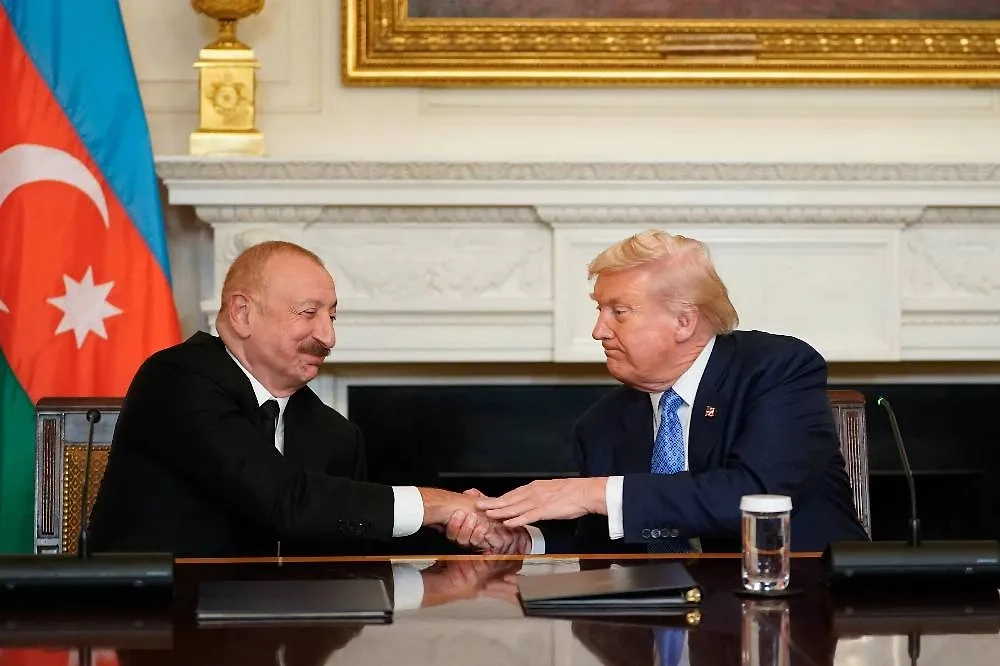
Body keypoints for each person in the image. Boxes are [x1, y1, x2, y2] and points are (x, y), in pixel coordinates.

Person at [87, 240, 505, 557]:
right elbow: (285, 501)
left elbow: (355, 549)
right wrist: (437, 504)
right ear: (242, 314)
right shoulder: (177, 380)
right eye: (308, 313)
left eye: (332, 316)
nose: (328, 337)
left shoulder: (337, 434)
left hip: (282, 632)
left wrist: (465, 530)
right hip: (150, 624)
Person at [475, 229, 869, 554]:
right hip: (663, 617)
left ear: (684, 321)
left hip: (807, 602)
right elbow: (604, 544)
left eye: (618, 312)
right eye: (599, 310)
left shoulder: (776, 369)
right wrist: (525, 540)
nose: (599, 331)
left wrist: (594, 492)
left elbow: (758, 498)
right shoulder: (602, 424)